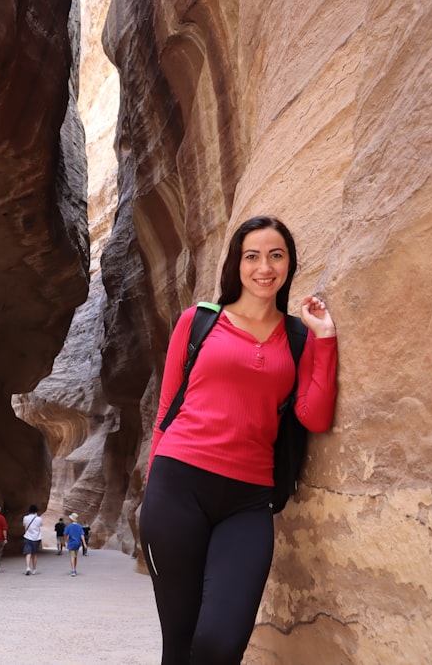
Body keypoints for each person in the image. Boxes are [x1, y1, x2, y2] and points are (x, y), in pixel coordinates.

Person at [139, 215, 338, 664]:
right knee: (180, 640)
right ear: (237, 264)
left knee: (220, 643)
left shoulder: (297, 337)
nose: (264, 267)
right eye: (252, 256)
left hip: (248, 500)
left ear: (288, 264)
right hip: (177, 487)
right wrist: (153, 492)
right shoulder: (198, 322)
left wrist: (324, 337)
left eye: (276, 255)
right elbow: (165, 411)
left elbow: (315, 414)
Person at [22, 504, 43, 575]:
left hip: (28, 537)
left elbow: (24, 525)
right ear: (36, 511)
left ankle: (28, 567)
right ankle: (34, 569)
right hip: (36, 538)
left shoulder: (25, 518)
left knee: (28, 553)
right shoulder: (39, 518)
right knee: (34, 554)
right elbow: (41, 525)